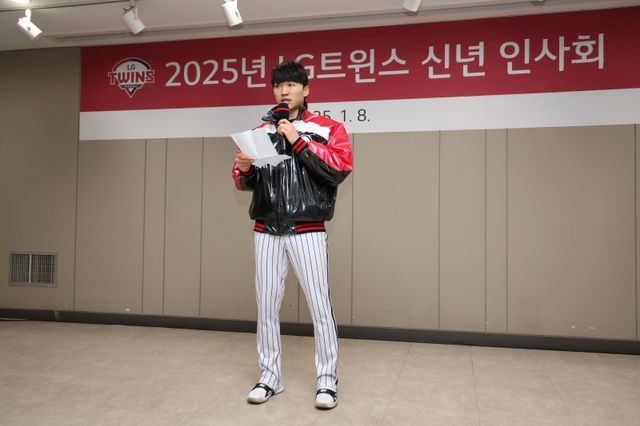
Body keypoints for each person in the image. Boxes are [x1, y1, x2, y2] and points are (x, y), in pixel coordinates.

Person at [232, 61, 353, 409]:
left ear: (306, 90)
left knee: (319, 305)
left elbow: (338, 169)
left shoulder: (328, 128)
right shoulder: (260, 130)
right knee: (266, 305)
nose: (284, 91)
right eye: (278, 85)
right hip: (266, 229)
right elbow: (245, 181)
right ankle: (270, 376)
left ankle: (327, 380)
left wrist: (297, 140)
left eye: (291, 85)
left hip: (308, 229)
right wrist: (244, 170)